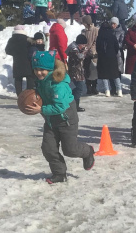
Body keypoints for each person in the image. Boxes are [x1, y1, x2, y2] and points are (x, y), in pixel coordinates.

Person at [25, 50, 95, 184]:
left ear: (50, 69)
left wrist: (41, 109)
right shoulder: (41, 81)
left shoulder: (59, 84)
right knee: (48, 149)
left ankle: (88, 151)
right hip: (51, 121)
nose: (39, 72)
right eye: (36, 69)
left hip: (66, 120)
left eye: (42, 69)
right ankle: (59, 174)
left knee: (70, 150)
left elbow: (60, 107)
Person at [5, 25, 34, 96]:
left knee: (18, 79)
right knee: (30, 77)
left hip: (17, 61)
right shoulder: (27, 39)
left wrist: (15, 53)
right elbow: (32, 49)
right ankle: (28, 94)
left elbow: (7, 51)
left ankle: (19, 95)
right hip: (27, 61)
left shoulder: (11, 40)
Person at [96, 22, 122, 97]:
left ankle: (107, 91)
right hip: (112, 57)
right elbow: (116, 47)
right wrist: (113, 53)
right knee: (115, 74)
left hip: (102, 58)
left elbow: (97, 48)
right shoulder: (112, 36)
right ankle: (119, 90)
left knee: (105, 75)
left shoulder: (99, 36)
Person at [66, 34, 88, 112]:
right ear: (79, 44)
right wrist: (84, 51)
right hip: (75, 72)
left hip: (79, 71)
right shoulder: (73, 49)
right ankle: (73, 103)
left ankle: (73, 103)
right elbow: (80, 58)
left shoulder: (77, 48)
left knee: (79, 88)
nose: (84, 46)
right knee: (79, 88)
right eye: (83, 45)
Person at [81, 15, 99, 95]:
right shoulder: (83, 31)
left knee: (94, 71)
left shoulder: (96, 30)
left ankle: (94, 87)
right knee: (86, 70)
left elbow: (96, 41)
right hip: (85, 54)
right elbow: (82, 41)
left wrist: (92, 50)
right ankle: (88, 87)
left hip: (94, 54)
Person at [110, 16, 125, 95]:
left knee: (118, 71)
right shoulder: (109, 31)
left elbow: (121, 43)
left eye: (114, 24)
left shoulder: (121, 32)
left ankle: (118, 88)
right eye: (112, 24)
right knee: (110, 71)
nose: (113, 25)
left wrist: (113, 45)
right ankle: (113, 87)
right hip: (110, 54)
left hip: (118, 53)